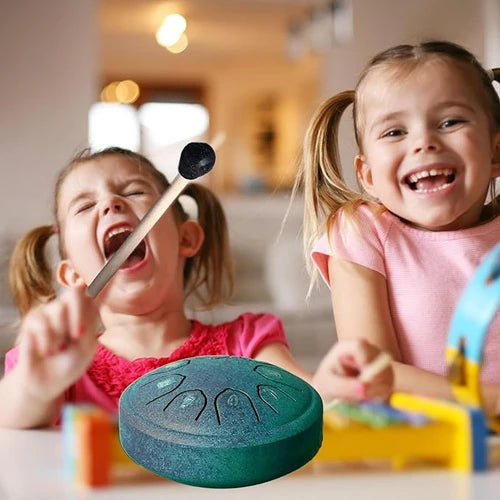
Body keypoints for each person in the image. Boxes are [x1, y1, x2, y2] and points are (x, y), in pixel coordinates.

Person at [0, 147, 392, 429]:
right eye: (85, 206)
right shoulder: (53, 364)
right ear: (72, 275)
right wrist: (35, 386)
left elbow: (307, 406)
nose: (111, 204)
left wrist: (332, 388)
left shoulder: (247, 342)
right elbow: (12, 417)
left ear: (186, 238)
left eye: (133, 192)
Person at [294, 40, 500, 415]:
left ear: (495, 152)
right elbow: (375, 372)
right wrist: (491, 402)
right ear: (368, 176)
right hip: (420, 438)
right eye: (394, 132)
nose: (424, 142)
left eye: (450, 122)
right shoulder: (361, 231)